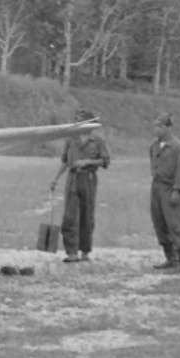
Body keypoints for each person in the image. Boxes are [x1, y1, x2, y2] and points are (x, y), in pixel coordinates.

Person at [50, 108, 110, 262]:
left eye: (80, 120)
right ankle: (72, 252)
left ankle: (85, 251)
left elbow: (105, 161)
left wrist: (87, 162)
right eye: (76, 120)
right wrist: (56, 178)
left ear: (89, 123)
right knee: (70, 216)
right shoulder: (71, 140)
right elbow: (65, 161)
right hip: (73, 178)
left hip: (88, 178)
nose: (76, 123)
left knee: (87, 216)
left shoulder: (98, 141)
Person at [148, 112, 180, 271]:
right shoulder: (154, 145)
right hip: (156, 186)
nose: (155, 129)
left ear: (167, 127)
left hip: (169, 187)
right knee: (159, 222)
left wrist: (177, 189)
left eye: (159, 126)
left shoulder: (178, 147)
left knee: (175, 223)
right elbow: (152, 161)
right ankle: (170, 258)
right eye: (155, 126)